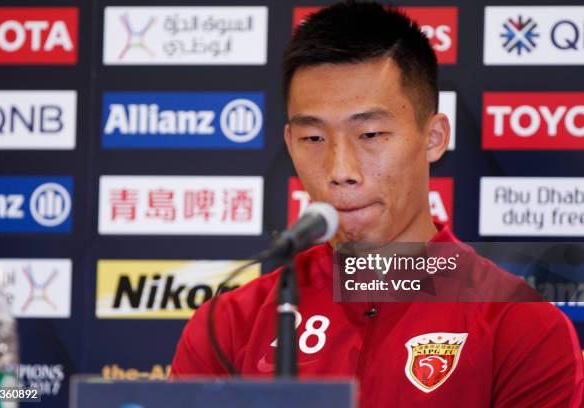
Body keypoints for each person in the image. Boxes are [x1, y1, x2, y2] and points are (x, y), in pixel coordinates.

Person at [171, 2, 584, 406]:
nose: (340, 169)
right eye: (313, 138)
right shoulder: (228, 325)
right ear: (289, 144)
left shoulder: (522, 327)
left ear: (435, 137)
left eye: (370, 134)